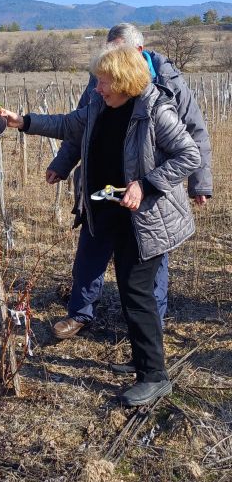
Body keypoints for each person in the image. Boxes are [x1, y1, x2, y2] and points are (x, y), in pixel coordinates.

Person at [0, 44, 201, 407]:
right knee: (130, 291)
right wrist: (23, 122)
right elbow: (66, 124)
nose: (97, 87)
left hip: (147, 220)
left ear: (123, 81)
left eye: (103, 81)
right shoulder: (98, 107)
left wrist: (146, 184)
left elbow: (189, 155)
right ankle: (145, 361)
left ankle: (154, 377)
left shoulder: (156, 110)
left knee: (137, 293)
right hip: (112, 212)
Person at [46, 23, 212, 334]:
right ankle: (80, 313)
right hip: (102, 185)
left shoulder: (167, 80)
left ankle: (149, 324)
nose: (109, 59)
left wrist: (199, 182)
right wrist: (63, 162)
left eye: (117, 51)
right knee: (91, 247)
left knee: (150, 254)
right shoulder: (102, 78)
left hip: (147, 193)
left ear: (137, 51)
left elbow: (193, 133)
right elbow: (80, 125)